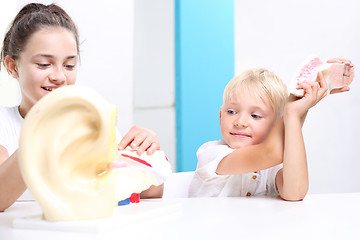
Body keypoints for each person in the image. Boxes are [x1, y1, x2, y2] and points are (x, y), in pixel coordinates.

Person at [0, 3, 161, 212]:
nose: (59, 76)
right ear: (13, 66)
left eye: (69, 65)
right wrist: (43, 130)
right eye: (43, 64)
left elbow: (152, 192)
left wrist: (143, 155)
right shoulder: (4, 123)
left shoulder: (94, 125)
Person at [189, 63, 353, 200]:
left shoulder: (269, 169)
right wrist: (293, 112)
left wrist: (298, 110)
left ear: (275, 125)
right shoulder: (211, 155)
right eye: (231, 112)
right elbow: (271, 151)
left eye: (255, 115)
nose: (240, 122)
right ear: (220, 115)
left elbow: (295, 192)